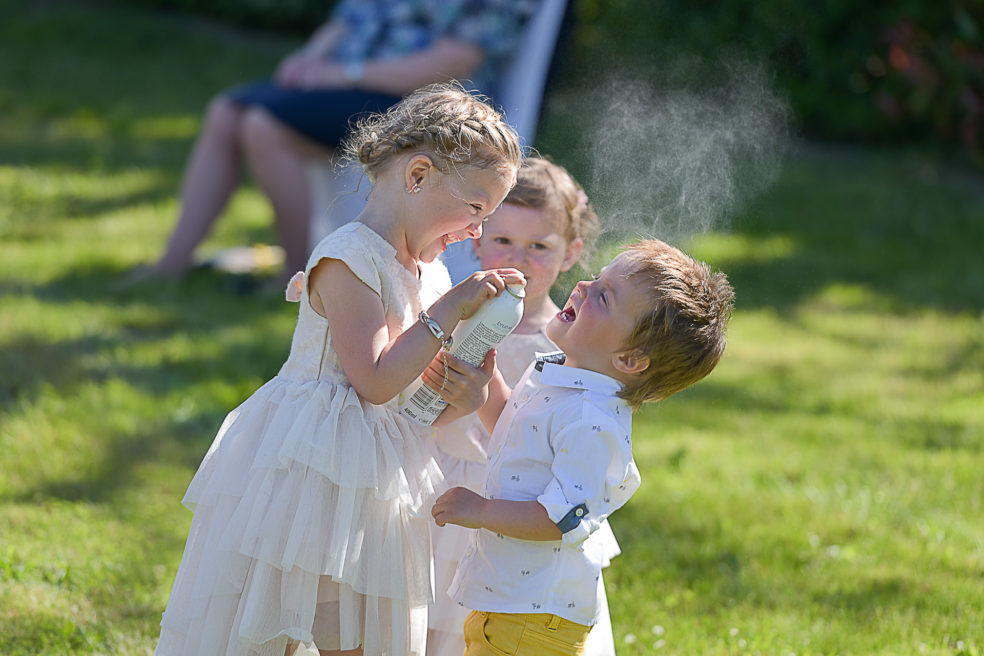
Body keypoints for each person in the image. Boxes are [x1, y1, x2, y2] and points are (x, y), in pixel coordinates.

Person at [153, 82, 524, 656]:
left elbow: (412, 399)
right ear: (418, 175)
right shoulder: (347, 257)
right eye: (475, 208)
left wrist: (464, 395)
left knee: (361, 633)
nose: (476, 231)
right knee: (282, 623)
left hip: (380, 474)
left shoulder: (434, 276)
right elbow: (374, 380)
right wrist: (448, 312)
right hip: (312, 466)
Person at [432, 239, 735, 656]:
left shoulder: (592, 420)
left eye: (603, 296)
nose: (583, 286)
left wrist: (481, 512)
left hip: (534, 617)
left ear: (629, 359)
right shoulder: (561, 374)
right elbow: (515, 431)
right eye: (597, 278)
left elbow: (558, 518)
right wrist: (490, 385)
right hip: (510, 600)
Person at [146, 0, 539, 280]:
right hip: (342, 81)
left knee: (263, 126)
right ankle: (173, 261)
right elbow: (344, 21)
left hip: (417, 102)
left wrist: (342, 73)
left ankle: (296, 271)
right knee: (226, 111)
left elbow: (452, 62)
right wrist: (308, 61)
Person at [427, 157, 622, 656]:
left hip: (514, 498)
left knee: (477, 612)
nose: (520, 258)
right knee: (426, 603)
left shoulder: (571, 340)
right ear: (476, 240)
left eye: (539, 246)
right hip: (443, 473)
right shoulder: (454, 310)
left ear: (570, 253)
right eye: (503, 241)